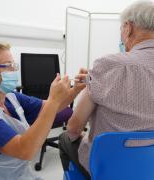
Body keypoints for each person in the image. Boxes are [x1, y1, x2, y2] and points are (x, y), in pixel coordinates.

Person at [59, 1, 154, 179]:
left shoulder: (109, 65)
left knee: (65, 138)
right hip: (149, 167)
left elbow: (73, 127)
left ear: (128, 28)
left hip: (108, 167)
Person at [0, 42, 87, 180]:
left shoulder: (10, 97)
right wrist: (53, 99)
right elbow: (24, 150)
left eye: (14, 65)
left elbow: (52, 108)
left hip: (19, 175)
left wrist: (75, 90)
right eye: (8, 65)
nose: (14, 70)